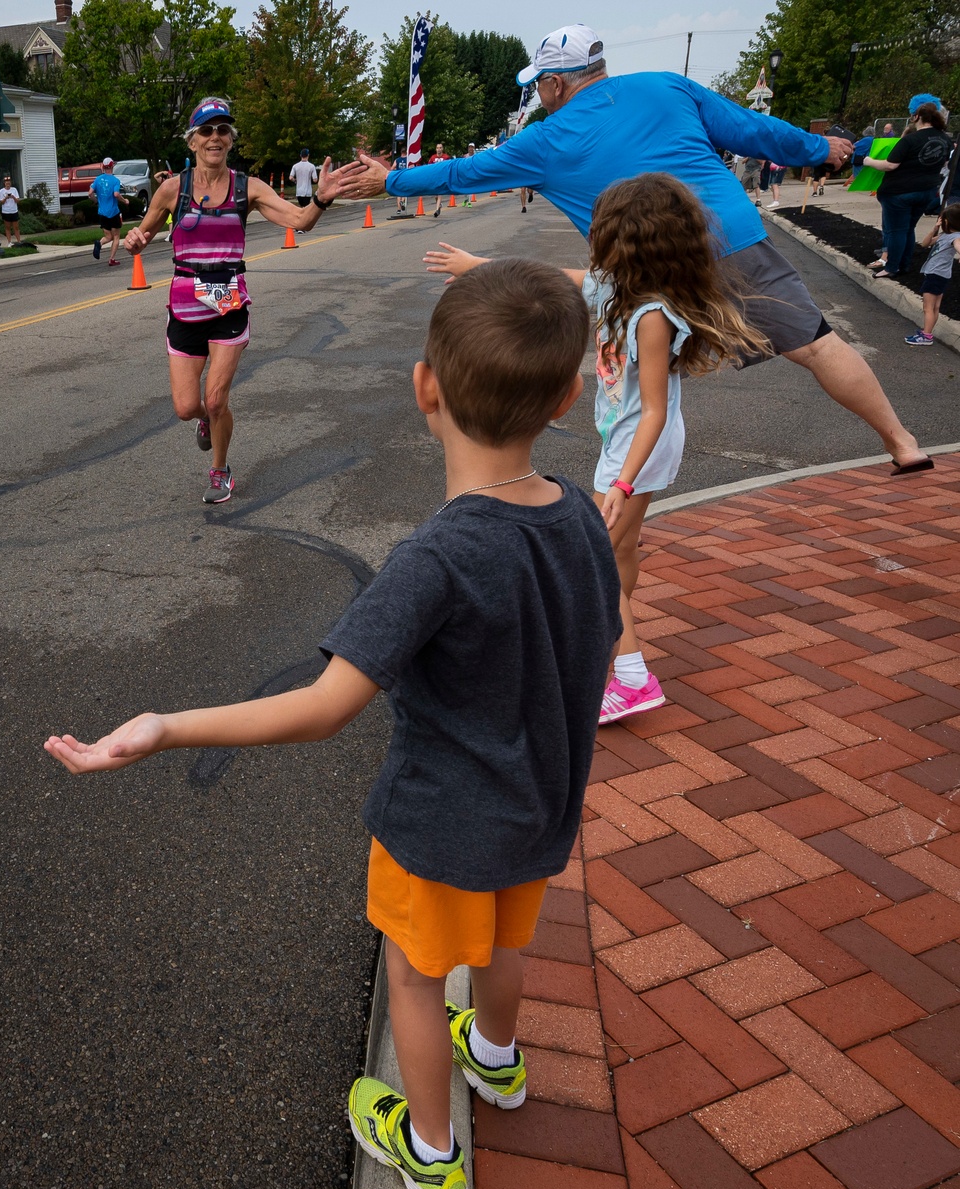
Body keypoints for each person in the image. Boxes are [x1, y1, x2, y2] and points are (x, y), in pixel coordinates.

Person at [44, 257, 622, 1189]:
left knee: (417, 968)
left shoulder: (438, 555)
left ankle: (431, 1150)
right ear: (567, 397)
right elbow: (595, 643)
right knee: (507, 939)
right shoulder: (578, 518)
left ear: (423, 386)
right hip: (540, 806)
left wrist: (165, 726)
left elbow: (323, 705)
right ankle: (500, 1061)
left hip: (439, 824)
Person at [341, 22, 932, 474]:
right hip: (727, 239)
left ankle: (621, 497)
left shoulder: (542, 140)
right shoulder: (667, 86)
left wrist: (388, 180)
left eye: (540, 86)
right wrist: (818, 148)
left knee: (633, 390)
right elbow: (755, 131)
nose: (540, 96)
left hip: (643, 274)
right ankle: (903, 444)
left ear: (554, 83)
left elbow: (462, 174)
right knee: (816, 343)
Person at [425, 173, 769, 722]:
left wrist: (624, 480)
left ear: (626, 240)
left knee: (595, 559)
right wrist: (478, 267)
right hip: (628, 444)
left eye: (599, 229)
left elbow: (654, 409)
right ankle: (611, 648)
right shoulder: (618, 290)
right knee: (621, 552)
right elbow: (558, 279)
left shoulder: (652, 315)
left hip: (639, 449)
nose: (592, 238)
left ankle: (632, 677)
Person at [123, 97, 359, 504]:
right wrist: (134, 240)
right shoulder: (171, 189)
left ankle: (220, 470)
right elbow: (141, 236)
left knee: (216, 399)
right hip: (184, 306)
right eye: (207, 130)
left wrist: (320, 199)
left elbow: (299, 221)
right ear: (193, 140)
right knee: (186, 407)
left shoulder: (247, 187)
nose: (215, 137)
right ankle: (206, 422)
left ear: (230, 140)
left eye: (223, 130)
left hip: (229, 303)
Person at [864, 102, 953, 282]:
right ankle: (904, 264)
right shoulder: (945, 139)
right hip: (927, 190)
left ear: (917, 117)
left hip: (899, 192)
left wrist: (869, 161)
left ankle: (892, 267)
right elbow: (945, 164)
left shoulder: (910, 140)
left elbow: (890, 165)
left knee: (897, 230)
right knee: (908, 228)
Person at [905, 203, 960, 345]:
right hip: (938, 274)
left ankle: (926, 335)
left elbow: (958, 246)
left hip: (936, 275)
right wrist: (934, 229)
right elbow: (925, 243)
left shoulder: (956, 237)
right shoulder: (944, 235)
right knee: (934, 307)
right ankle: (927, 333)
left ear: (948, 221)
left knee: (928, 307)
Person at [89, 157, 129, 266]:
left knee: (108, 236)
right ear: (112, 166)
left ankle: (99, 243)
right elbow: (116, 194)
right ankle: (111, 259)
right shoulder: (115, 180)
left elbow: (90, 193)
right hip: (113, 212)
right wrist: (124, 200)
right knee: (116, 236)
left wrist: (96, 201)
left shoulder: (98, 179)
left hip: (102, 212)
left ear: (103, 166)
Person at [0, 175, 21, 245]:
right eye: (6, 182)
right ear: (4, 183)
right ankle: (9, 242)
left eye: (9, 182)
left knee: (16, 227)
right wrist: (6, 198)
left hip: (14, 211)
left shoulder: (14, 190)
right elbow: (1, 202)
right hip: (6, 211)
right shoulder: (2, 191)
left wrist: (13, 196)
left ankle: (19, 241)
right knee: (7, 227)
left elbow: (17, 201)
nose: (8, 183)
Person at [428, 143, 450, 217]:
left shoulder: (446, 157)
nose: (439, 149)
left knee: (439, 193)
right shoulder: (433, 157)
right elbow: (429, 167)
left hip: (442, 178)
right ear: (436, 149)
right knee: (436, 195)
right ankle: (439, 205)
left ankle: (437, 210)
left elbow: (449, 167)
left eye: (440, 148)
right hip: (435, 178)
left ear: (442, 149)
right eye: (438, 148)